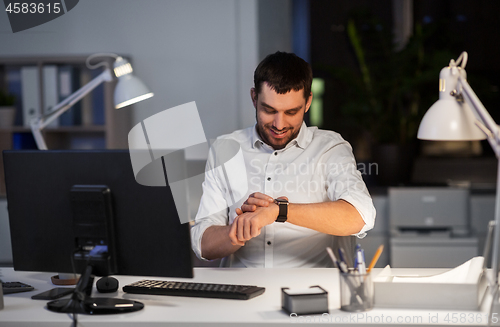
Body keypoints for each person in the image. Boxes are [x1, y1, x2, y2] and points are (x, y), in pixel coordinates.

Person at [191, 51, 375, 268]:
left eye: (291, 112)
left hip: (313, 293)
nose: (279, 124)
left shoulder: (330, 148)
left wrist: (279, 211)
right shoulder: (224, 149)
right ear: (254, 98)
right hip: (242, 292)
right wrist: (239, 229)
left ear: (308, 103)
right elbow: (203, 244)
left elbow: (360, 215)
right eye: (269, 110)